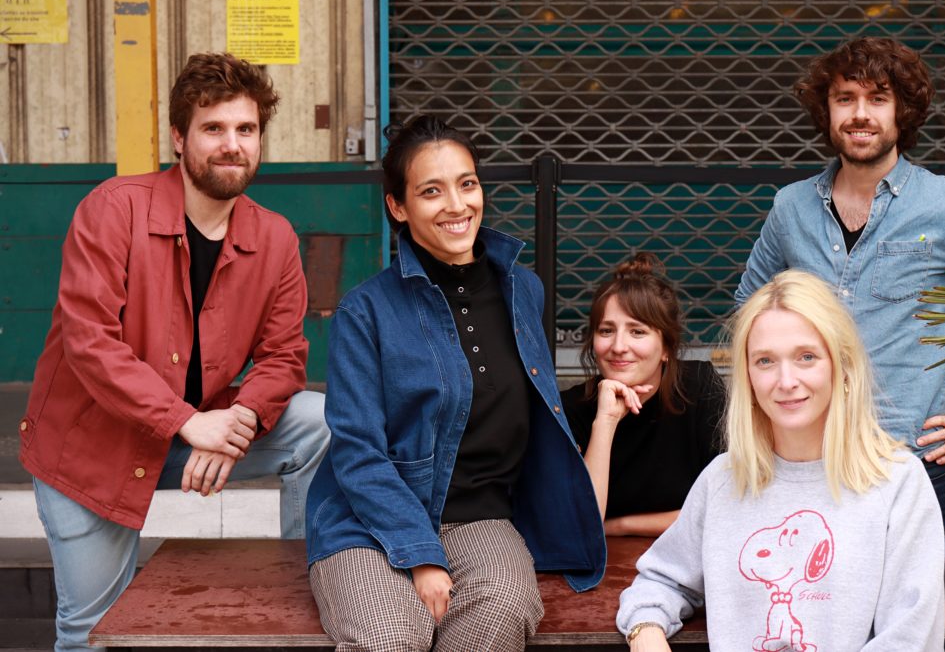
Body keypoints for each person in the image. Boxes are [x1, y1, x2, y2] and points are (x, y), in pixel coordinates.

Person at [18, 52, 330, 651]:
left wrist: (238, 422)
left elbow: (285, 354)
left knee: (320, 423)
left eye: (246, 130)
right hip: (93, 447)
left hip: (202, 432)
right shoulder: (114, 210)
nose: (231, 145)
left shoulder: (275, 236)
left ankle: (313, 571)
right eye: (213, 129)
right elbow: (90, 343)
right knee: (90, 632)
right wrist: (189, 423)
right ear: (179, 136)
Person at [304, 115, 606, 652]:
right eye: (431, 191)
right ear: (399, 207)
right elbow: (357, 451)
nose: (456, 205)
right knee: (390, 636)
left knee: (506, 608)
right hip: (367, 525)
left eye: (467, 184)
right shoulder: (365, 311)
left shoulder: (523, 291)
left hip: (480, 517)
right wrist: (420, 552)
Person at [734, 37, 945, 549]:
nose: (860, 114)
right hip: (806, 465)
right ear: (826, 110)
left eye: (878, 99)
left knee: (909, 625)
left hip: (911, 466)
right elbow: (749, 315)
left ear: (903, 111)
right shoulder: (790, 209)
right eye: (845, 98)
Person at [618, 269, 945, 651]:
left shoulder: (897, 482)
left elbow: (909, 638)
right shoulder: (723, 480)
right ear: (749, 378)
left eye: (806, 357)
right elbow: (661, 580)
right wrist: (646, 634)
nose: (785, 380)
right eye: (765, 361)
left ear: (841, 366)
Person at [562, 253, 724, 537]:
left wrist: (620, 526)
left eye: (637, 331)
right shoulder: (572, 408)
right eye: (606, 330)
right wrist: (606, 422)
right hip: (602, 566)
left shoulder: (699, 387)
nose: (619, 346)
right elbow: (580, 529)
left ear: (665, 348)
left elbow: (725, 509)